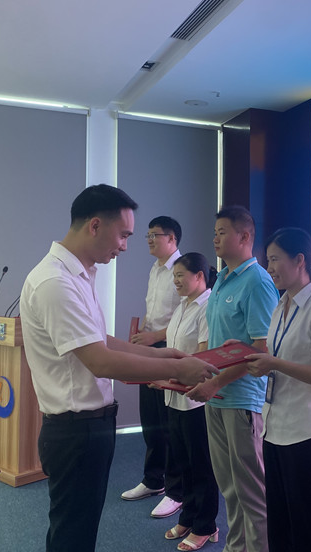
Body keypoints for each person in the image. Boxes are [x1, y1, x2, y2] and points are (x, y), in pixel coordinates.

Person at [19, 184, 217, 552]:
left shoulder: (78, 276)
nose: (126, 246)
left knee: (77, 529)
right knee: (72, 534)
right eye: (123, 235)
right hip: (75, 430)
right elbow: (99, 361)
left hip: (87, 426)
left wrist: (167, 356)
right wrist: (175, 372)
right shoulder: (55, 282)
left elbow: (103, 341)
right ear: (95, 225)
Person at [187, 205, 279, 552]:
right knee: (228, 486)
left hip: (242, 399)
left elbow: (261, 349)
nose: (215, 238)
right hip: (217, 396)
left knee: (251, 491)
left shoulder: (257, 281)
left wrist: (216, 382)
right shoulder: (222, 278)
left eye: (222, 232)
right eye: (214, 232)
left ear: (245, 236)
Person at [245, 227, 311, 552]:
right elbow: (277, 355)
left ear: (300, 260)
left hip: (307, 432)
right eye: (268, 260)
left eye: (275, 259)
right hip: (275, 426)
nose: (269, 267)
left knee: (306, 530)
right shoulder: (281, 304)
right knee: (280, 524)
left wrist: (274, 364)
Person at [123, 216, 184, 519]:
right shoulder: (155, 269)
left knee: (169, 421)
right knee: (150, 418)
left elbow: (186, 314)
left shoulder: (182, 269)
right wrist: (140, 335)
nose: (148, 239)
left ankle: (176, 491)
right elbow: (154, 311)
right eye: (147, 235)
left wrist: (154, 336)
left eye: (154, 235)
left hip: (170, 349)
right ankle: (153, 480)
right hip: (149, 347)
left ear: (172, 239)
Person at [163, 253, 220, 551]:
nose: (175, 281)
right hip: (175, 395)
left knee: (201, 465)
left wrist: (171, 374)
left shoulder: (208, 307)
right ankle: (188, 516)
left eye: (180, 275)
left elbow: (202, 356)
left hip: (196, 400)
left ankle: (206, 525)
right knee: (183, 461)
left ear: (199, 276)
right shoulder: (182, 306)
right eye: (173, 276)